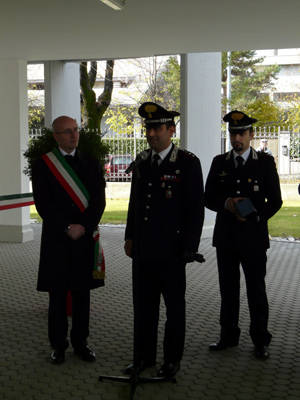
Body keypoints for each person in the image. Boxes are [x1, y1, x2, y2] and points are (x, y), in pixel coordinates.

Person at [124, 102, 204, 378]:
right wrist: (130, 236)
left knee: (174, 310)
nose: (150, 134)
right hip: (144, 250)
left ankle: (171, 361)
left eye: (156, 128)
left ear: (171, 129)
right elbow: (135, 204)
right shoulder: (143, 160)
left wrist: (189, 248)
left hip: (171, 251)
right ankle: (143, 358)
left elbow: (195, 209)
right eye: (148, 128)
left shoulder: (187, 163)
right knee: (144, 309)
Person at [205, 110, 282, 360]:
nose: (236, 138)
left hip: (253, 237)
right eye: (232, 133)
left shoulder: (264, 163)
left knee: (256, 289)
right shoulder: (220, 162)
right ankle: (228, 335)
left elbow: (276, 200)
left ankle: (260, 339)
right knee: (228, 289)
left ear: (251, 135)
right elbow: (208, 197)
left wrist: (255, 216)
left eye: (241, 133)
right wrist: (227, 203)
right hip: (226, 237)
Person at [32, 116, 106, 364]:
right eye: (67, 132)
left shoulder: (92, 162)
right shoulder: (43, 165)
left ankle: (81, 343)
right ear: (56, 136)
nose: (74, 136)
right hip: (57, 239)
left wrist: (83, 226)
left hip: (83, 238)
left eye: (76, 130)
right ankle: (58, 345)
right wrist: (66, 226)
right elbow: (43, 204)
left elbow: (99, 201)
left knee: (82, 293)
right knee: (57, 294)